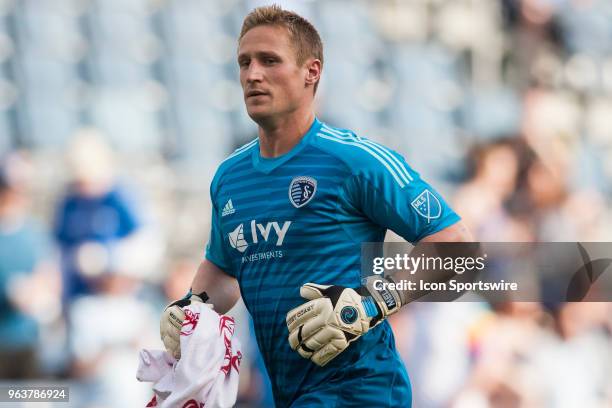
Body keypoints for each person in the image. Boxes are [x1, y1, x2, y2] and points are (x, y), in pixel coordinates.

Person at [160, 5, 472, 407]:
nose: (252, 74)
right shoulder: (229, 176)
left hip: (362, 391)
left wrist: (373, 301)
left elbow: (458, 245)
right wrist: (193, 307)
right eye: (244, 62)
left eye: (269, 61)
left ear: (312, 72)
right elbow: (223, 269)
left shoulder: (355, 162)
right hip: (286, 392)